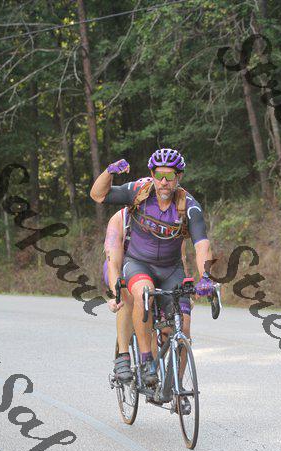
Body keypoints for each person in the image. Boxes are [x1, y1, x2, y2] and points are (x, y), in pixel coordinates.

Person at [91, 148, 214, 386]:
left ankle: (176, 388)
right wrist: (109, 172)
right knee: (141, 294)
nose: (164, 182)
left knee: (183, 326)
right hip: (138, 264)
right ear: (152, 175)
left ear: (179, 177)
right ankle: (144, 359)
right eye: (159, 175)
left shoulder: (189, 206)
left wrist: (206, 277)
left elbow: (202, 246)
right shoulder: (137, 193)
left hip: (171, 270)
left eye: (170, 176)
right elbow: (98, 196)